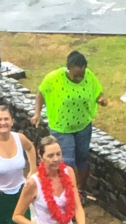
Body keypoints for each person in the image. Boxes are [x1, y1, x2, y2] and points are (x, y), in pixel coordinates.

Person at [31, 50, 107, 194]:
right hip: (61, 128)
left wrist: (101, 99)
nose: (79, 78)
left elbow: (97, 92)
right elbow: (41, 93)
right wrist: (37, 114)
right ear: (68, 69)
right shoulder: (54, 78)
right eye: (76, 75)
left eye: (82, 75)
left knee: (83, 158)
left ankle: (80, 190)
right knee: (68, 162)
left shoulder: (89, 76)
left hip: (83, 126)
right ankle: (68, 194)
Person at [12, 135, 88, 224]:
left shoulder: (68, 172)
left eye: (59, 154)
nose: (56, 159)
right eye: (50, 155)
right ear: (41, 156)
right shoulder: (33, 183)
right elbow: (17, 216)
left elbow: (77, 205)